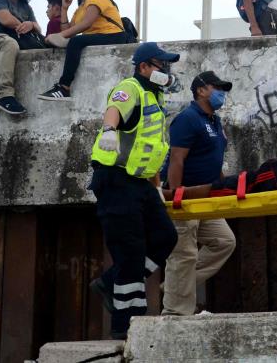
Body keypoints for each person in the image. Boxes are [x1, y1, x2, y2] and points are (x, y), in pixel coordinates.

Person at [88, 42, 180, 340]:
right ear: (144, 67)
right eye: (161, 65)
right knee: (130, 253)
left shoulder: (155, 96)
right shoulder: (130, 88)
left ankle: (110, 281)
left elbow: (148, 147)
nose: (166, 70)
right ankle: (127, 329)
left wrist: (157, 187)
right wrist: (110, 131)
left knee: (166, 236)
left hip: (141, 183)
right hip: (115, 180)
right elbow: (114, 109)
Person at [161, 71, 237, 316]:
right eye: (217, 87)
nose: (221, 93)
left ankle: (175, 285)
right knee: (183, 254)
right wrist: (176, 195)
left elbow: (214, 159)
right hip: (187, 196)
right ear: (201, 90)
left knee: (224, 241)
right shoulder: (188, 119)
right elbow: (176, 159)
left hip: (207, 196)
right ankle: (175, 313)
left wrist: (226, 187)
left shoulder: (214, 120)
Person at [38, 0, 127, 101]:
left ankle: (64, 88)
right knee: (73, 41)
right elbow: (68, 29)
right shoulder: (81, 8)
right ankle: (63, 87)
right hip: (97, 36)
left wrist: (60, 36)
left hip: (114, 35)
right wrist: (64, 9)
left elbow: (86, 23)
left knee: (76, 42)